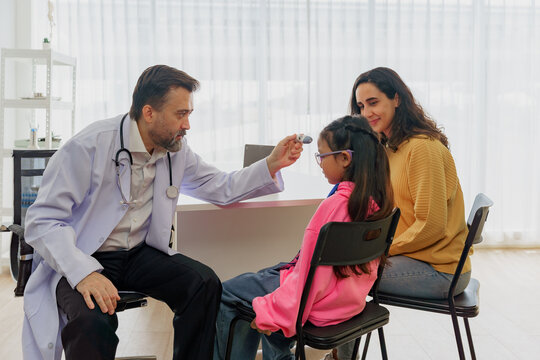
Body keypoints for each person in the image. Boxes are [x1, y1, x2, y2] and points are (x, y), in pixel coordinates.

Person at [22, 64, 304, 360]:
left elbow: (220, 186)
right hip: (83, 256)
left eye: (189, 114)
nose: (187, 125)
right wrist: (84, 273)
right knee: (92, 320)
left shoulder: (176, 150)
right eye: (180, 114)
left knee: (203, 284)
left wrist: (271, 164)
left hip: (138, 255)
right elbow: (42, 221)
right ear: (149, 113)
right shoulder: (89, 146)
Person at [213, 115, 395, 360]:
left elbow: (309, 278)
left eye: (322, 156)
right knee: (269, 276)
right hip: (347, 302)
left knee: (226, 292)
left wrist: (274, 311)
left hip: (317, 304)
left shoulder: (334, 207)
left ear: (344, 158)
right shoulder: (377, 204)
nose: (319, 164)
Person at [330, 67, 471, 359]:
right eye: (360, 106)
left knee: (344, 275)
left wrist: (378, 251)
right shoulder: (391, 146)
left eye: (373, 102)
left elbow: (431, 225)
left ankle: (340, 358)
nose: (366, 112)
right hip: (420, 258)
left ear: (396, 99)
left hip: (440, 269)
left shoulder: (422, 149)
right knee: (341, 265)